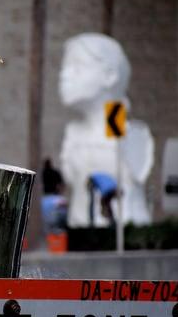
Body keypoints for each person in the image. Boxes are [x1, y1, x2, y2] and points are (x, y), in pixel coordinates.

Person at [58, 33, 154, 227]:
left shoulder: (130, 133)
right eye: (64, 67)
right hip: (81, 236)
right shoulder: (73, 133)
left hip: (123, 233)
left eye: (77, 67)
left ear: (110, 75)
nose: (64, 75)